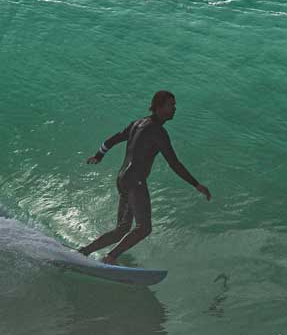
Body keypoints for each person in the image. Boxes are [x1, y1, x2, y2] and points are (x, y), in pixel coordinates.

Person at [78, 90, 211, 265]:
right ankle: (110, 258)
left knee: (122, 229)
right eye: (171, 105)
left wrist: (99, 155)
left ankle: (83, 252)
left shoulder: (137, 123)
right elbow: (174, 163)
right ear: (159, 106)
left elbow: (113, 139)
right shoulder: (158, 132)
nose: (175, 109)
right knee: (144, 228)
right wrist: (196, 184)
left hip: (122, 179)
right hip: (135, 182)